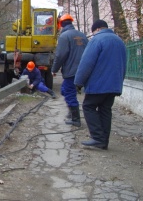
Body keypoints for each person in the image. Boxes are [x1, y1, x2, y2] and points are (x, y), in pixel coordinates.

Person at [74, 20, 127, 150]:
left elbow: (86, 63)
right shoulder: (120, 42)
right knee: (105, 110)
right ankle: (104, 141)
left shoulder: (97, 40)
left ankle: (97, 138)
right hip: (114, 85)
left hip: (99, 84)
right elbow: (124, 65)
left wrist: (78, 82)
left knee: (88, 106)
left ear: (97, 29)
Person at [51, 13, 88, 127]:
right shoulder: (82, 36)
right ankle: (72, 112)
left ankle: (75, 119)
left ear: (61, 24)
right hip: (84, 70)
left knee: (68, 92)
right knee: (64, 90)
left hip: (71, 71)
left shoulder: (64, 36)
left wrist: (54, 69)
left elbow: (60, 55)